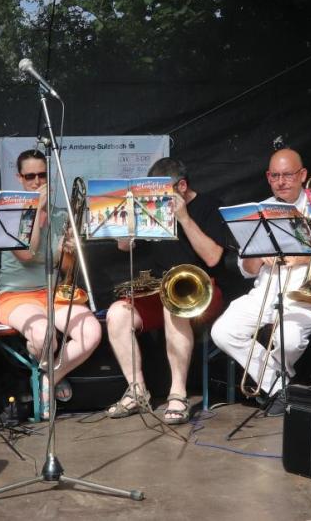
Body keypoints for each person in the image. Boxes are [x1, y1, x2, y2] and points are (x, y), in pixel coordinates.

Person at [211, 148, 311, 416]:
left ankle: (276, 388)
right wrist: (259, 257)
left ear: (303, 175)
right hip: (265, 294)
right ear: (268, 177)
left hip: (308, 299)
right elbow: (247, 269)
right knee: (222, 331)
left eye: (288, 175)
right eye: (275, 176)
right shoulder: (260, 212)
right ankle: (279, 385)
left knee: (288, 340)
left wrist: (305, 258)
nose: (281, 182)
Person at [105, 157, 227, 425]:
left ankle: (178, 393)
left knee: (174, 309)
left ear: (182, 186)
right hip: (159, 288)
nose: (157, 198)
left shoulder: (209, 206)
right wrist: (126, 229)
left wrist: (183, 218)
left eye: (163, 192)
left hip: (201, 289)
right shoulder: (152, 207)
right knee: (117, 314)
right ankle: (137, 390)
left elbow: (213, 258)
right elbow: (124, 248)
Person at [0, 149, 101, 419]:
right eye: (30, 176)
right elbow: (27, 255)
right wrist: (37, 210)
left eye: (42, 175)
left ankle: (50, 376)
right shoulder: (10, 215)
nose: (37, 182)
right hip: (16, 295)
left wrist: (69, 251)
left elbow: (66, 269)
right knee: (44, 336)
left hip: (53, 293)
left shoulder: (61, 215)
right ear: (19, 178)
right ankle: (53, 373)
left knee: (91, 331)